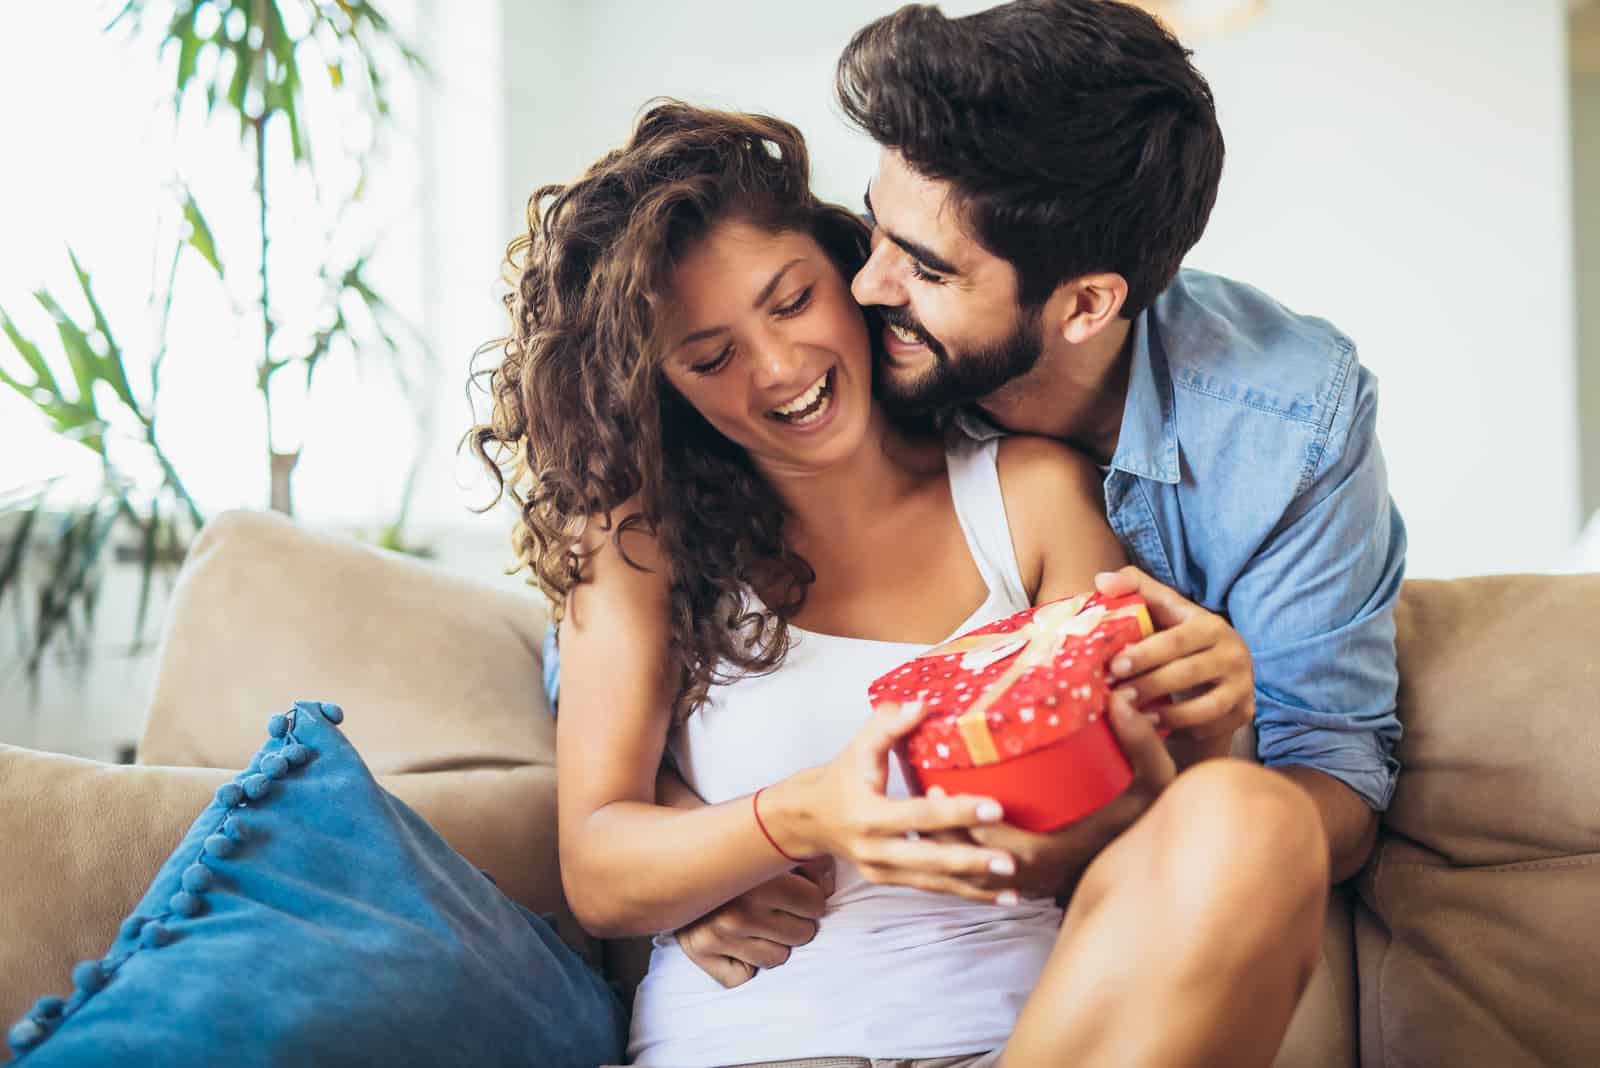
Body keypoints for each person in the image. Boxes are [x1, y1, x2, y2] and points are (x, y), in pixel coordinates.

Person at [474, 98, 1324, 1068]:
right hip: (757, 1044)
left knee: (1251, 818)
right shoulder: (637, 539)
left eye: (791, 301)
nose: (779, 368)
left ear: (848, 270)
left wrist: (1206, 735)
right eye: (709, 358)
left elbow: (1125, 830)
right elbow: (597, 865)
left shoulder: (1029, 497)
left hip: (1026, 1042)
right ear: (661, 384)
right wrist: (800, 814)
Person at [669, 0, 1406, 1059]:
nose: (867, 283)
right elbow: (616, 661)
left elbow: (1334, 771)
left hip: (1079, 951)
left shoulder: (1289, 420)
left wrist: (1209, 751)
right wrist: (699, 858)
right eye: (875, 228)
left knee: (1254, 816)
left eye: (925, 269)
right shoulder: (824, 350)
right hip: (812, 980)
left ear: (1083, 306)